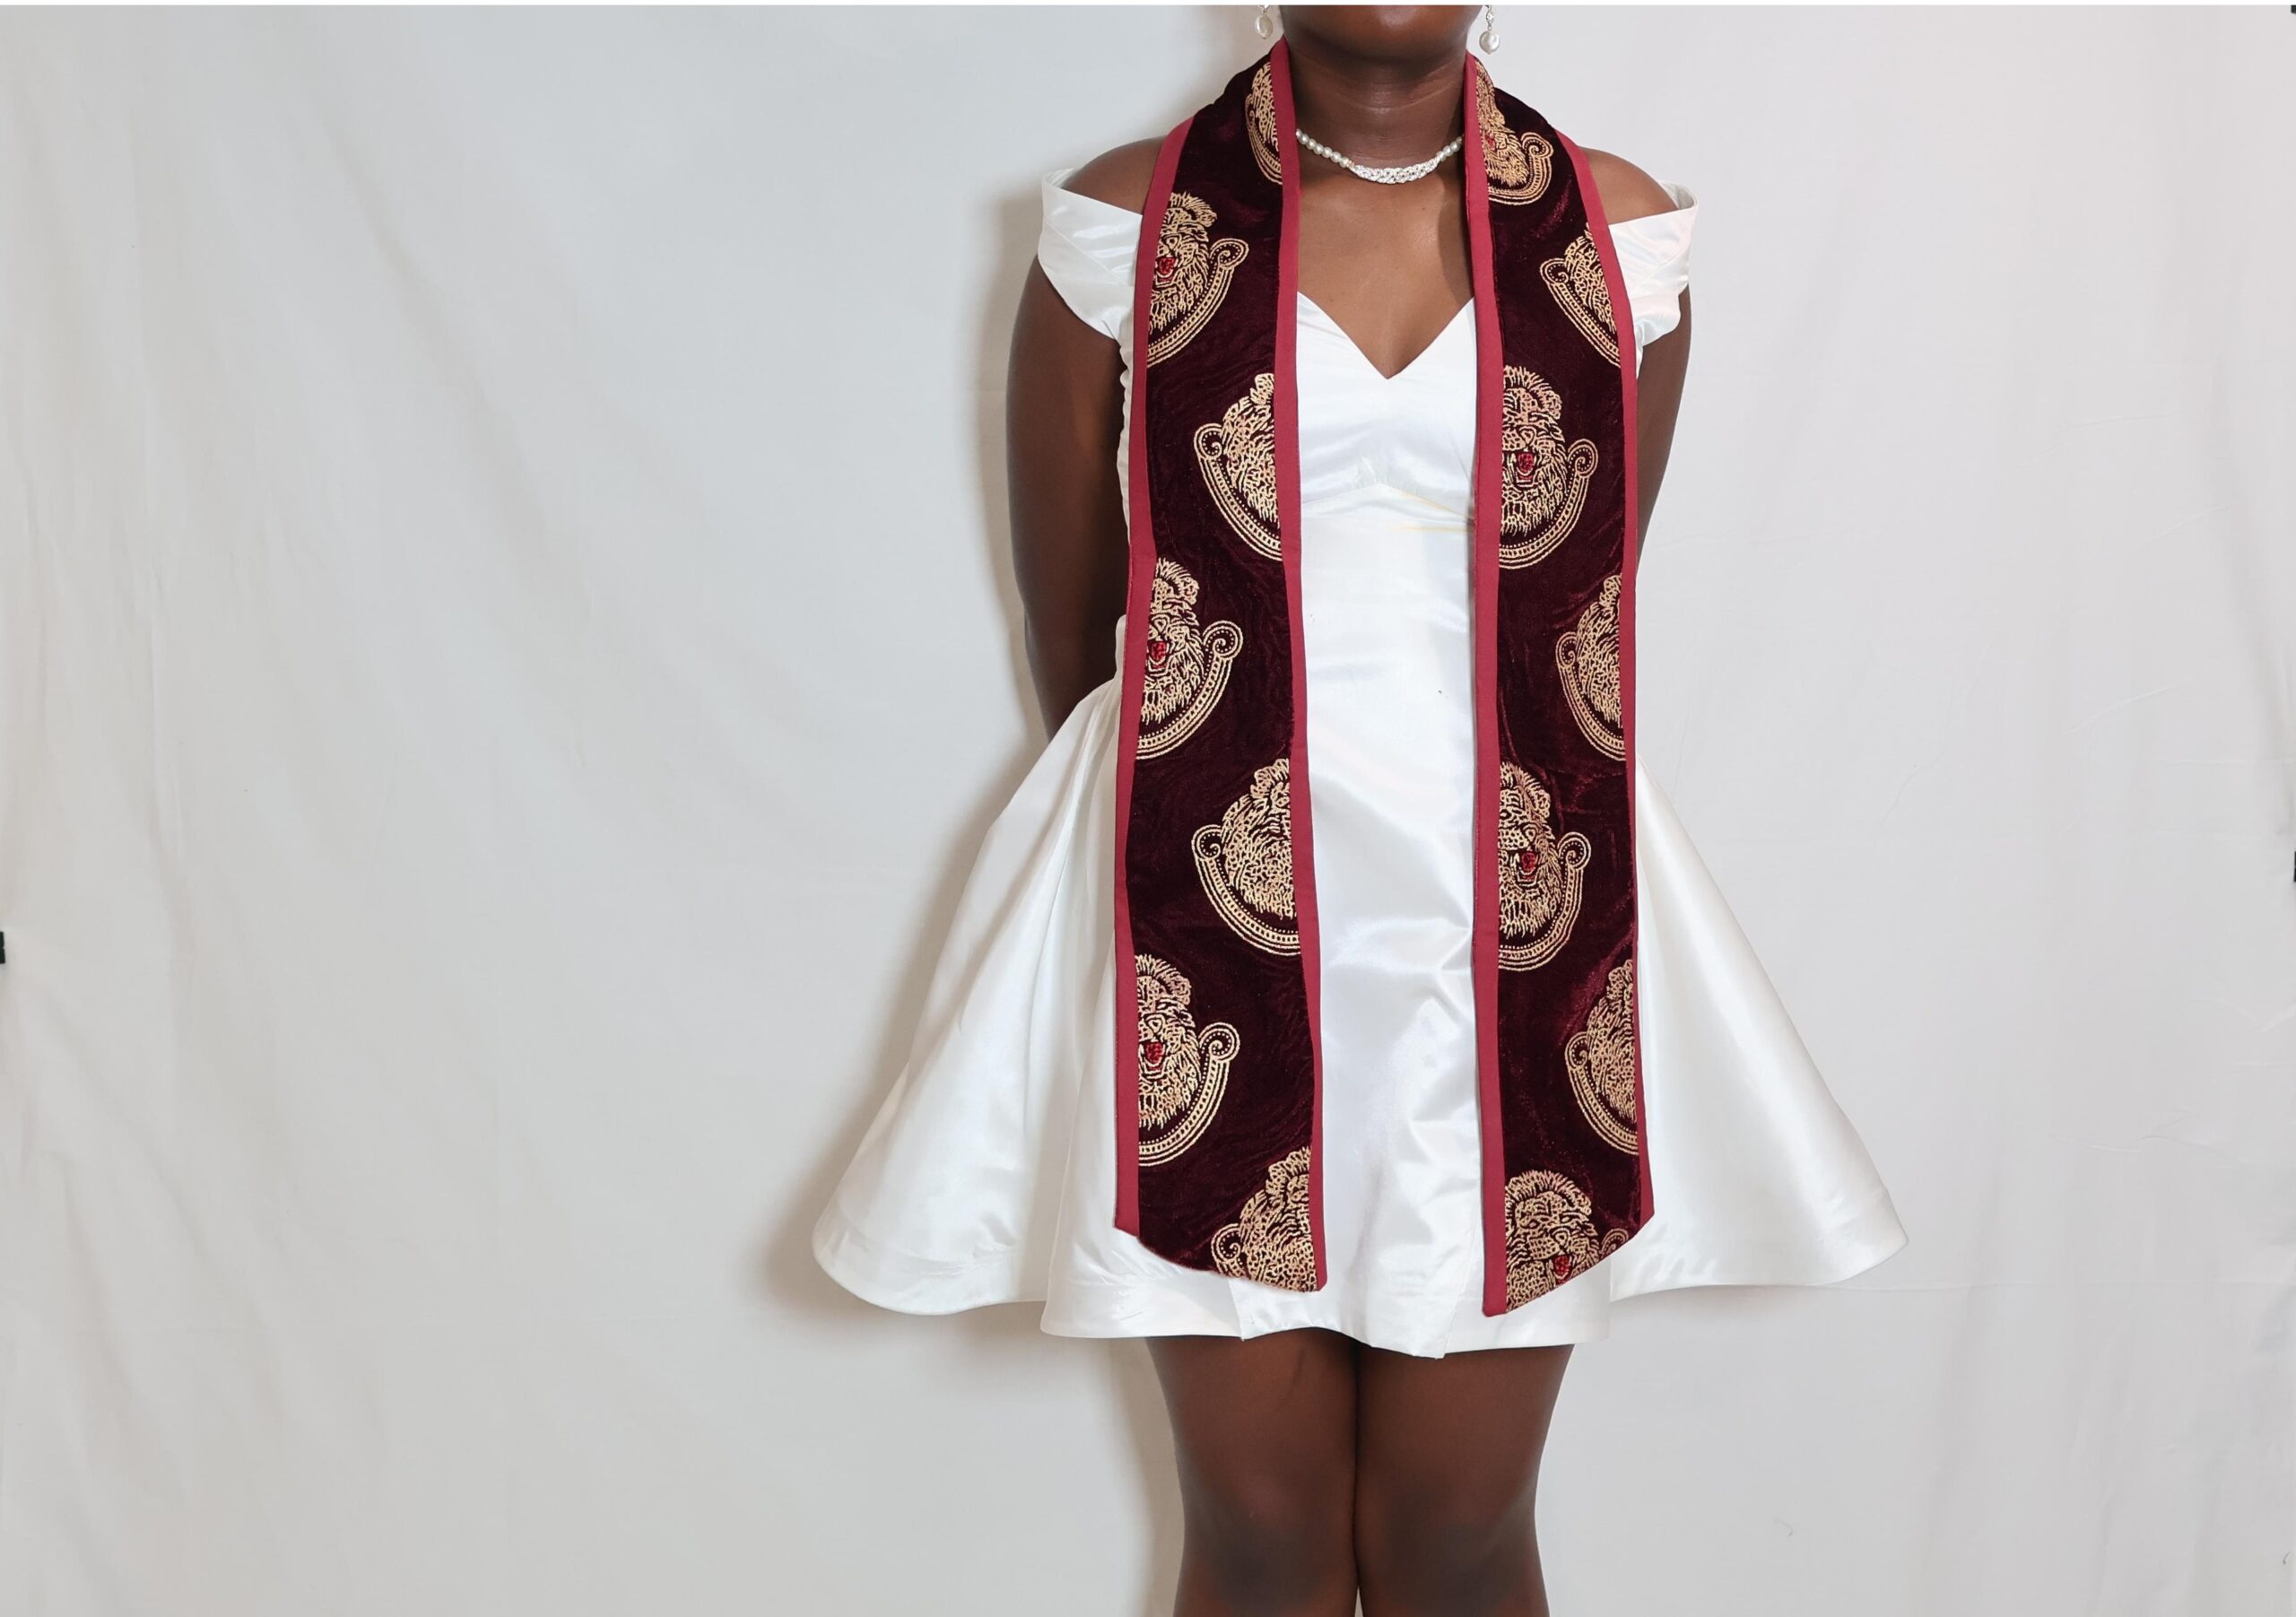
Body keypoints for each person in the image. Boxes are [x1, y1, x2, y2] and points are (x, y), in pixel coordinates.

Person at [815, 8, 1906, 1612]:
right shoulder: (1126, 223)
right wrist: (1208, 862)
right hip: (1200, 911)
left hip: (1509, 931)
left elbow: (1584, 601)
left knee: (1457, 1531)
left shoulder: (1615, 234)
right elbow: (1087, 635)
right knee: (1258, 1529)